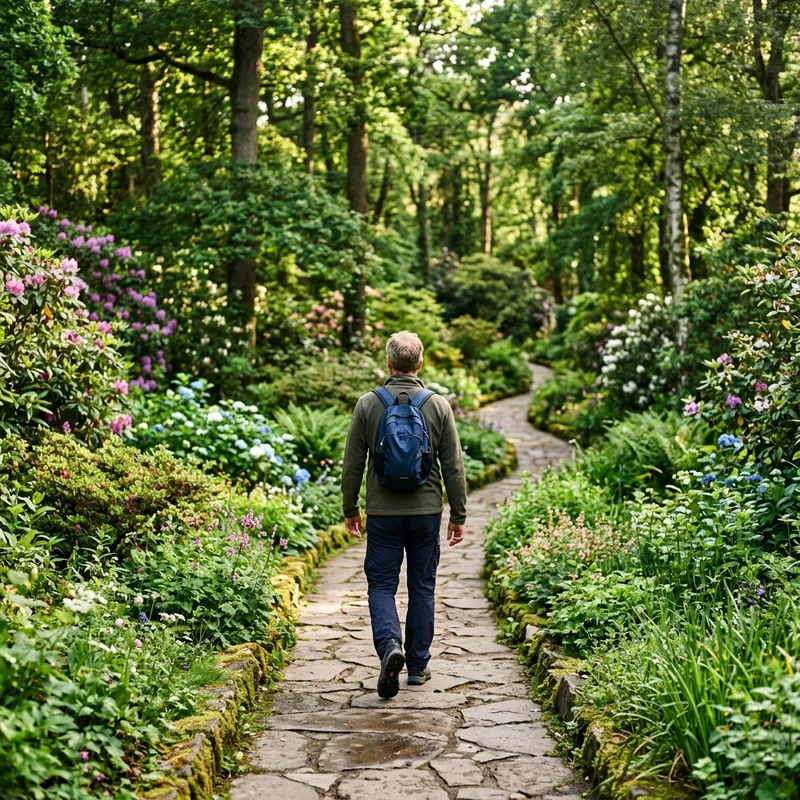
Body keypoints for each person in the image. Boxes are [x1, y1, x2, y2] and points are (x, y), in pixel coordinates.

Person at [341, 330, 467, 698]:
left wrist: (351, 509)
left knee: (381, 585)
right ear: (420, 363)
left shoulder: (368, 404)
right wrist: (457, 514)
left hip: (383, 514)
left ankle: (389, 647)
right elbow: (453, 467)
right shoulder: (438, 405)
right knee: (422, 587)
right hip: (426, 511)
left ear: (389, 362)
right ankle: (417, 667)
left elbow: (352, 464)